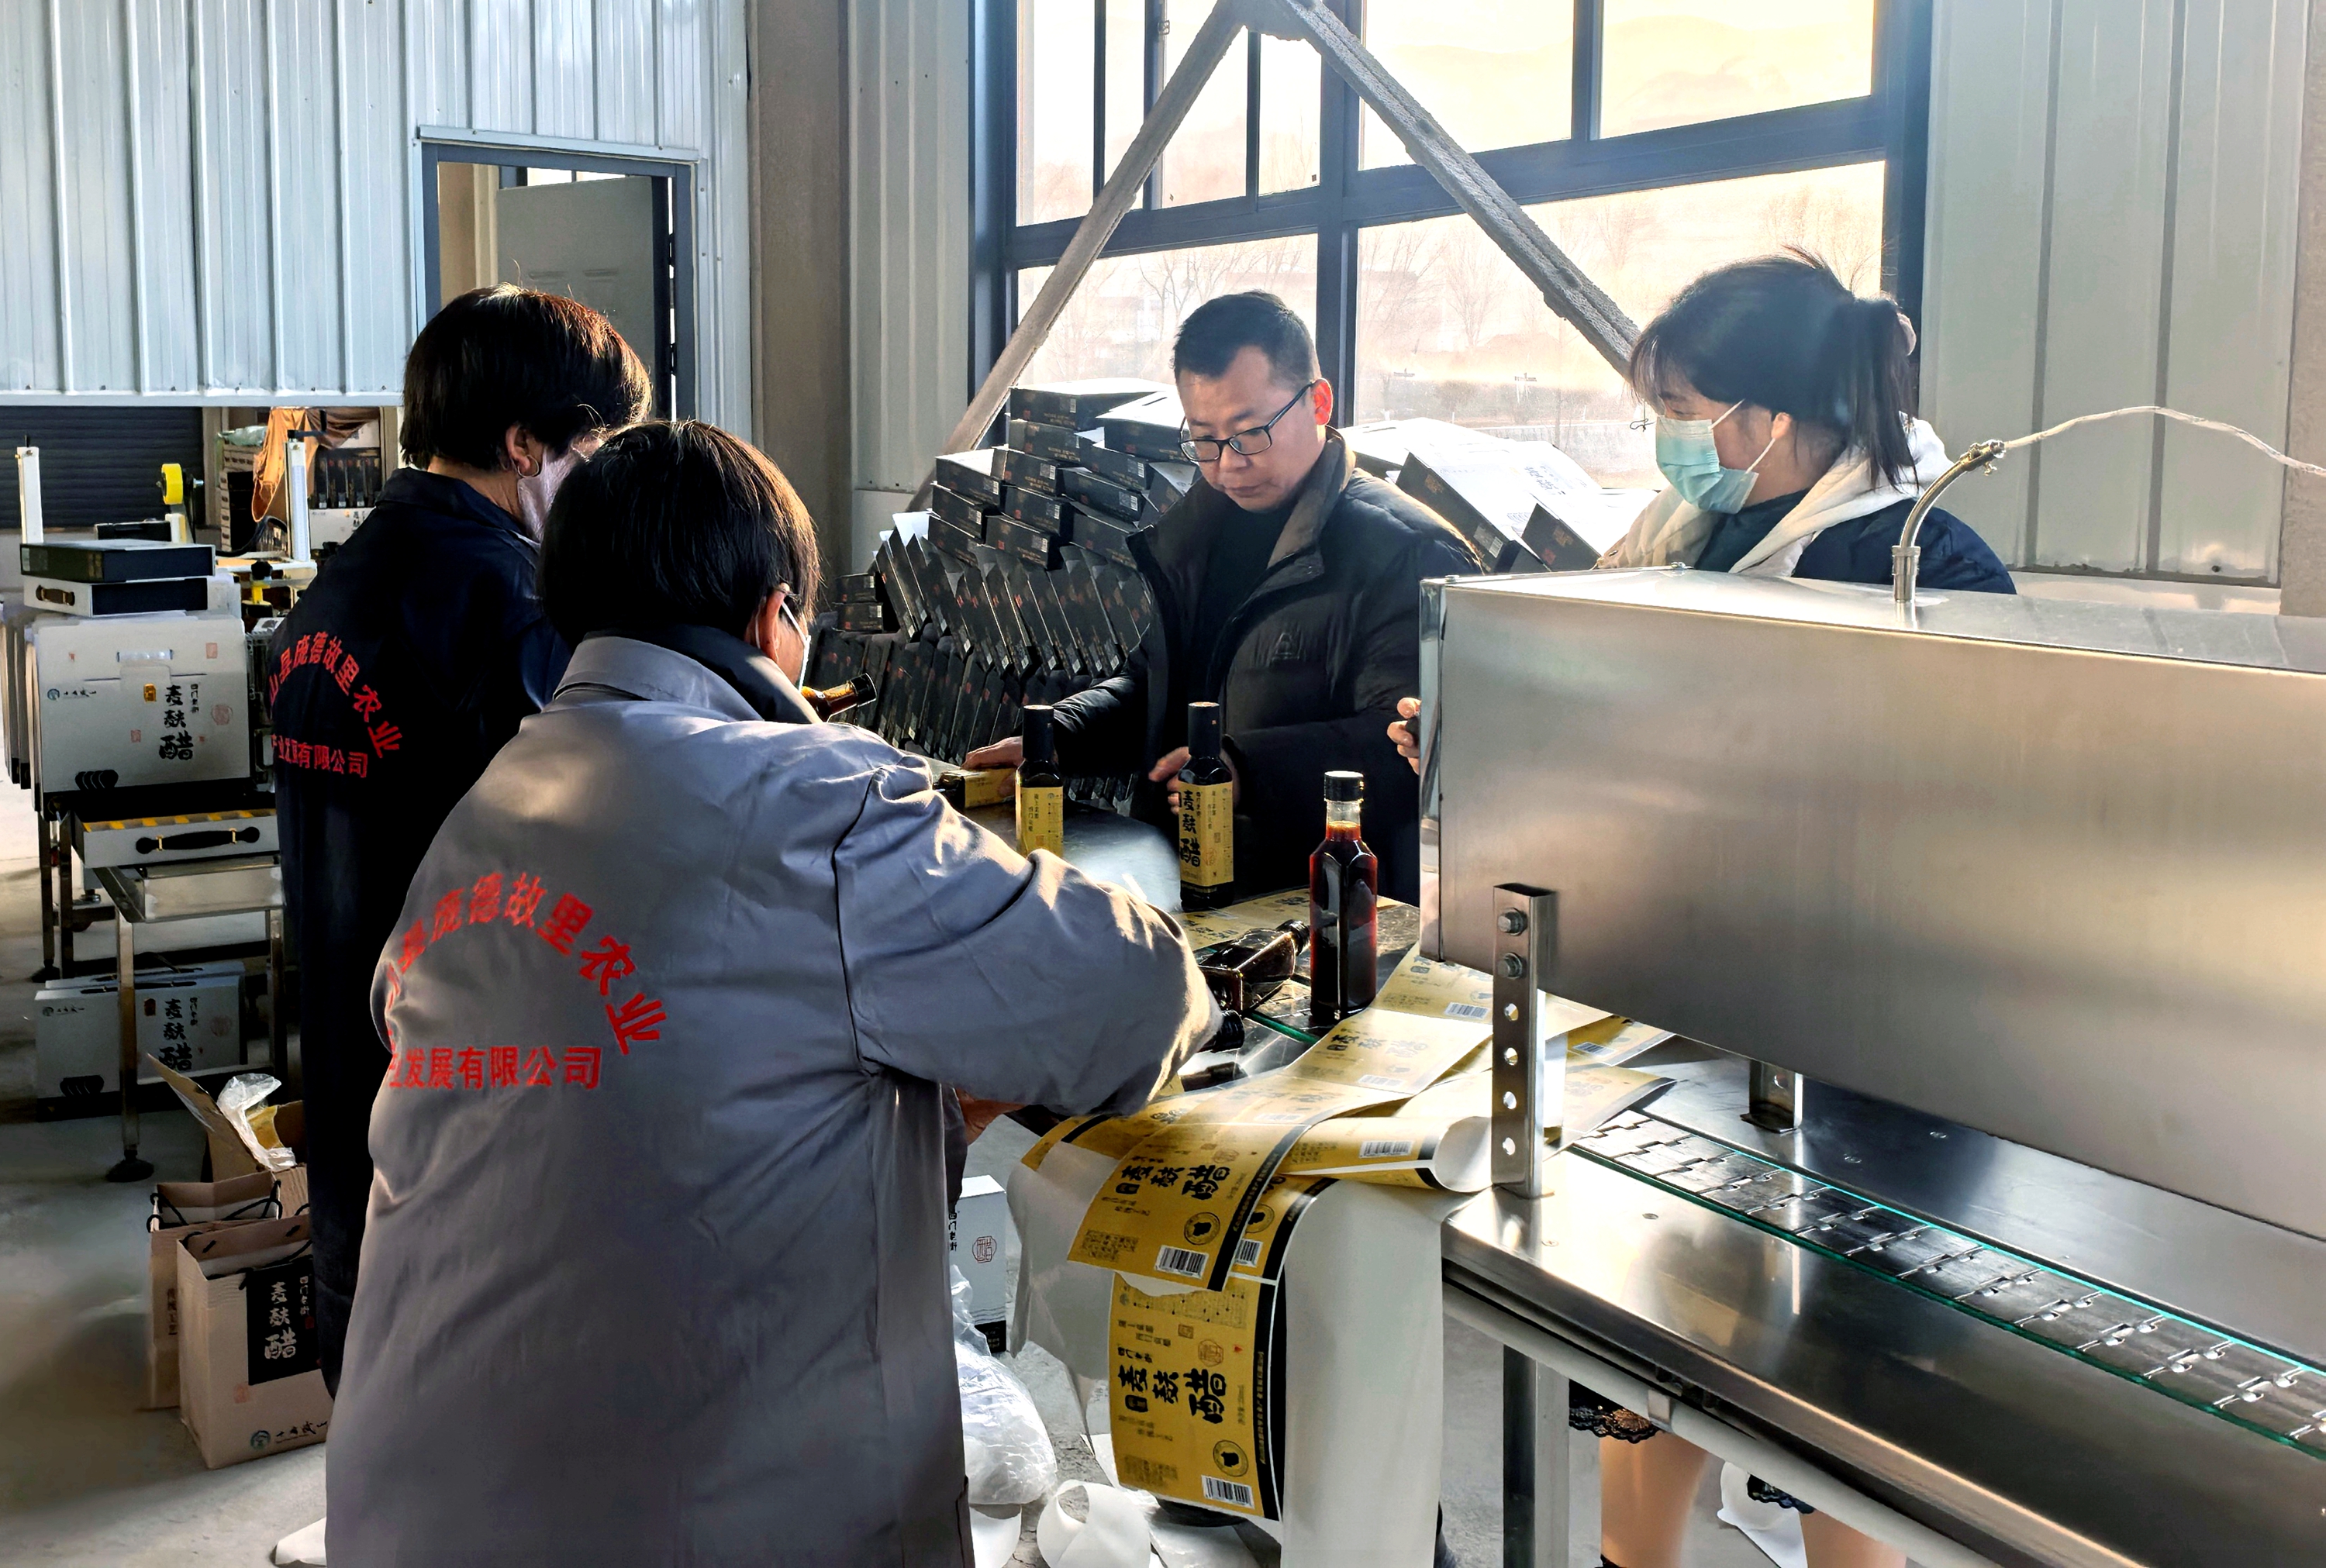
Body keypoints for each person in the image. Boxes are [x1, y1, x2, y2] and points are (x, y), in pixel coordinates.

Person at [326, 422, 1213, 1566]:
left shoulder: (486, 808)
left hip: (401, 1508)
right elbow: (1138, 1000)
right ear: (772, 619)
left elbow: (621, 1097)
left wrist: (925, 1117)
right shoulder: (819, 802)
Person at [1390, 250, 1975, 1568]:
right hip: (1694, 1016)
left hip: (1867, 1061)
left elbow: (1935, 828)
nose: (1667, 440)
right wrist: (1491, 734)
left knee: (1840, 1392)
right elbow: (1617, 724)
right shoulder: (1694, 536)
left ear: (1767, 416)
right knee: (1665, 1344)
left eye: (1679, 410)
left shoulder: (1918, 562)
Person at [267, 285, 650, 1408]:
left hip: (351, 1066)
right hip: (480, 1084)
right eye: (591, 446)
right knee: (484, 1404)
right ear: (524, 443)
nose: (597, 472)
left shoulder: (341, 585)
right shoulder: (507, 606)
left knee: (375, 1386)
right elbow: (602, 829)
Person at [967, 290, 1482, 903]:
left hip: (1324, 903)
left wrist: (1244, 769)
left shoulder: (1407, 552)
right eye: (1204, 439)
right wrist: (1057, 739)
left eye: (1249, 433)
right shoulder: (1198, 532)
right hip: (1186, 882)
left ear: (1319, 402)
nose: (1226, 465)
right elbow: (1155, 689)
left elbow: (1405, 750)